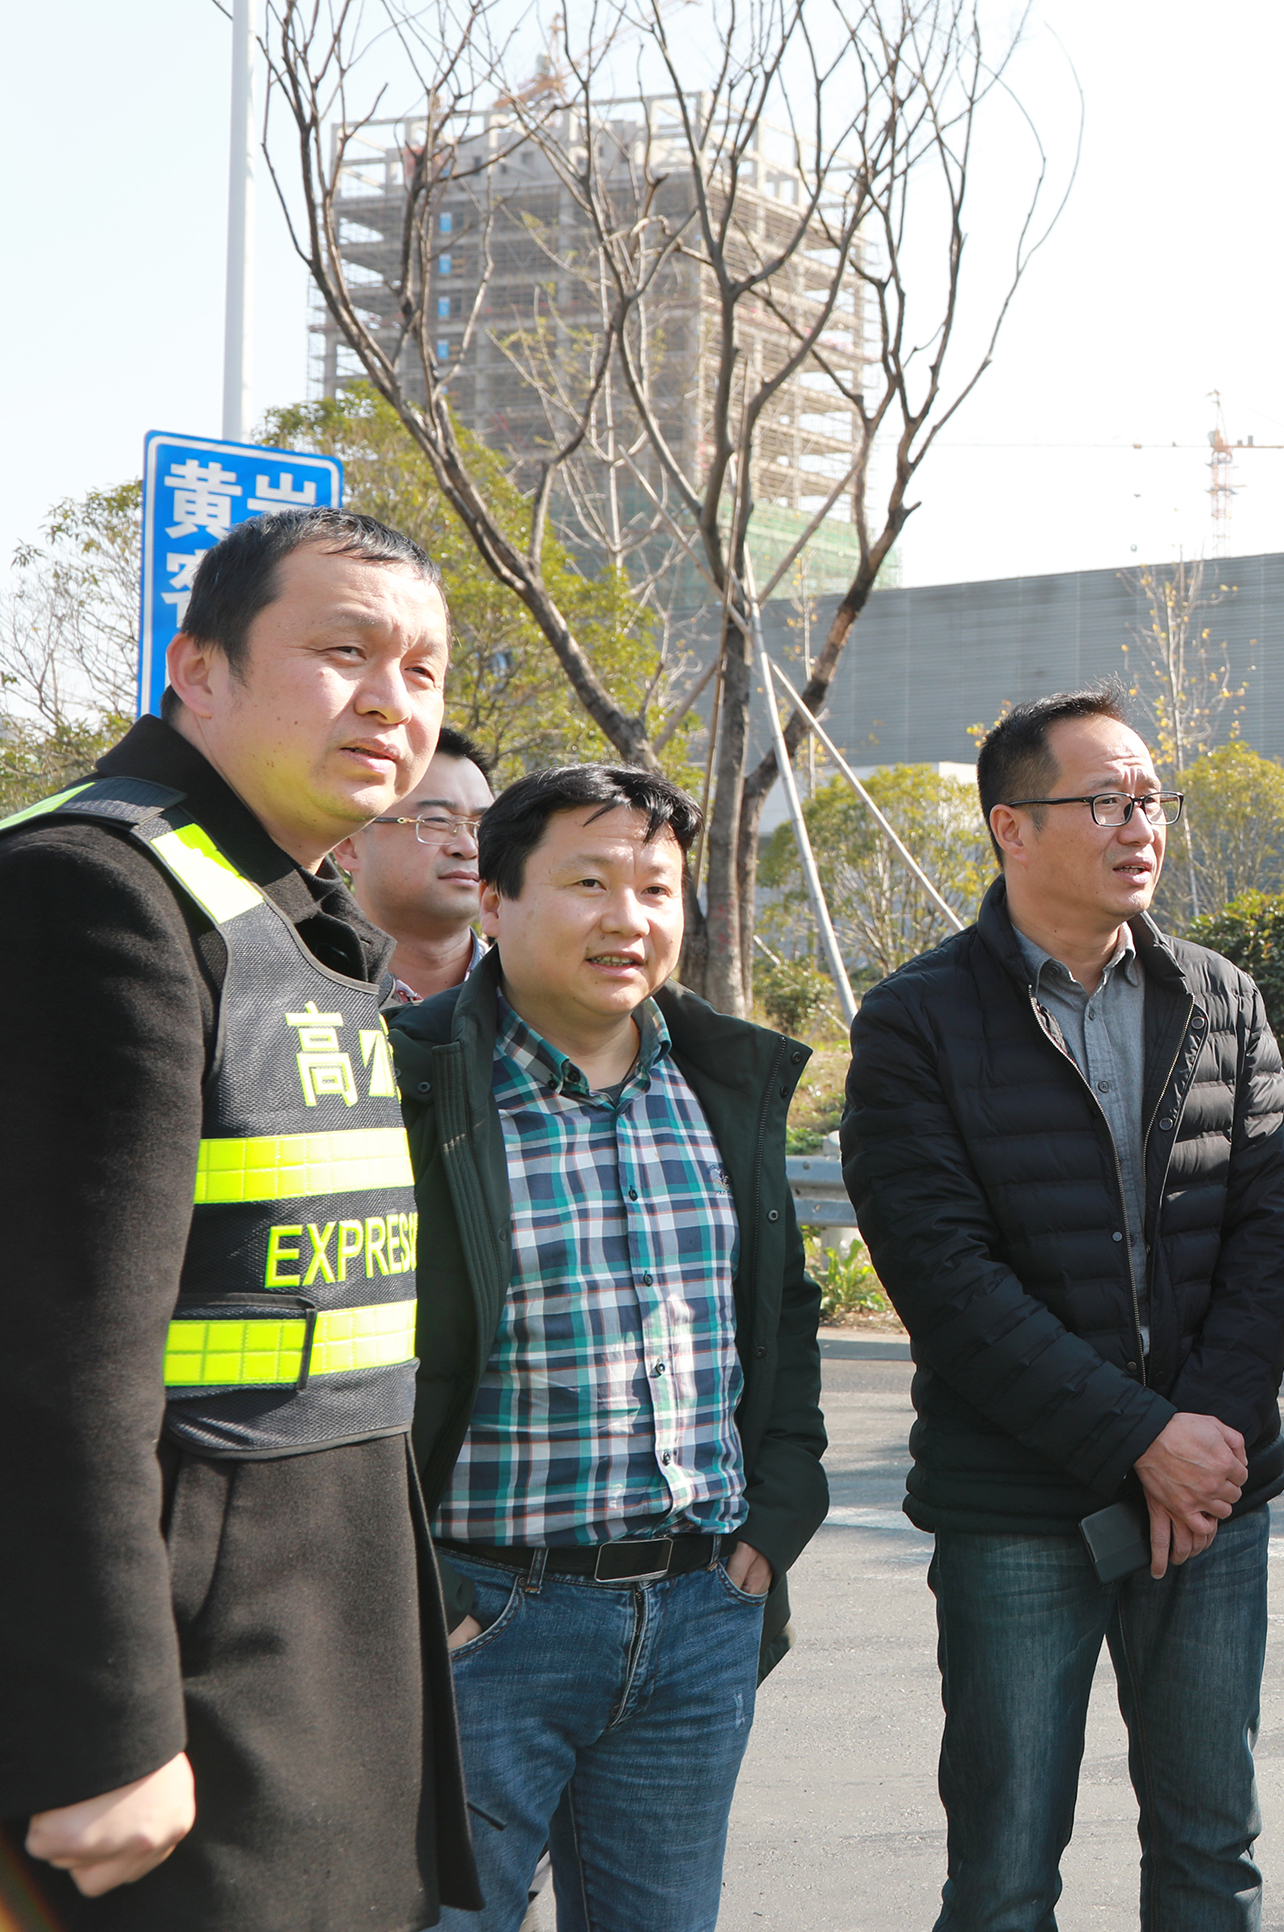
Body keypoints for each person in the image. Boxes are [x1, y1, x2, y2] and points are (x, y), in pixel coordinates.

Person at [0, 508, 479, 1928]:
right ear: (198, 671)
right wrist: (107, 1732)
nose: (392, 699)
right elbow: (57, 1361)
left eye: (423, 669)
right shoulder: (97, 895)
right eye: (345, 652)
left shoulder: (279, 905)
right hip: (186, 1699)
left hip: (312, 1650)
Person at [841, 688, 1284, 1932]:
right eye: (1104, 800)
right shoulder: (916, 1021)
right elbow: (947, 1283)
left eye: (1150, 798)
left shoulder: (1219, 997)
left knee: (1213, 1852)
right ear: (1012, 826)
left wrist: (1203, 1442)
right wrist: (1139, 1441)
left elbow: (1267, 1234)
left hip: (1213, 1500)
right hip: (1018, 1507)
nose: (1138, 825)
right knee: (1003, 1874)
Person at [385, 763, 828, 1931]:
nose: (627, 917)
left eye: (656, 888)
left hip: (698, 1615)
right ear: (495, 901)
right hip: (483, 1622)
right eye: (588, 883)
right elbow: (346, 1359)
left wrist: (779, 1513)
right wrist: (430, 1597)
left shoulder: (724, 1084)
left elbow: (780, 1314)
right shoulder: (409, 1082)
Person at [334, 724, 497, 1001]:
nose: (468, 848)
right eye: (436, 821)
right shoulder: (292, 990)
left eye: (482, 827)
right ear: (348, 844)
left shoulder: (535, 997)